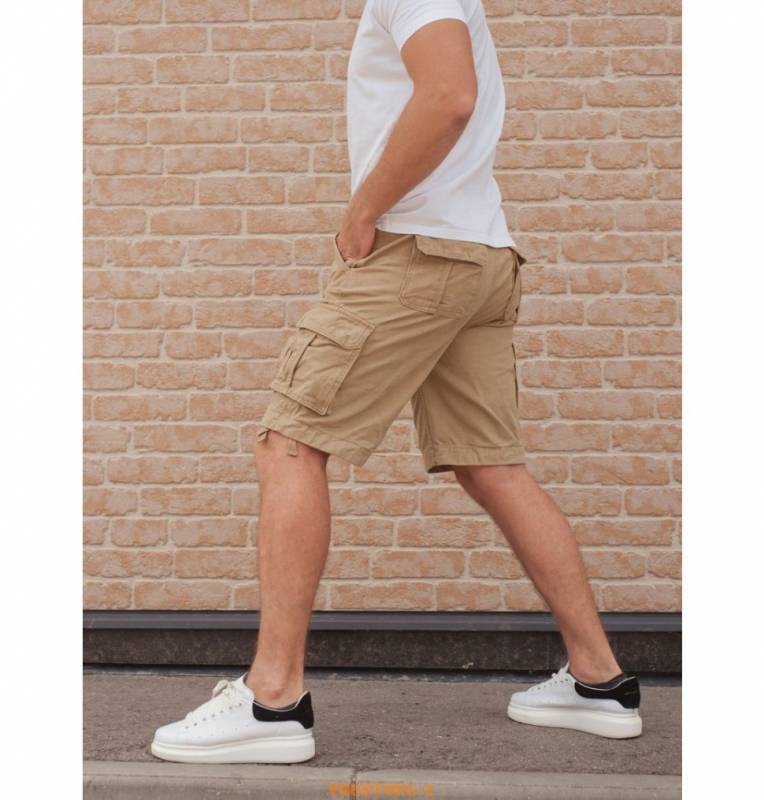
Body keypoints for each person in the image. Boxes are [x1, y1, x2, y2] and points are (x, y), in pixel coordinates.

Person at [151, 0, 642, 765]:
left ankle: (272, 698)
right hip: (482, 255)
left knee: (289, 442)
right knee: (492, 464)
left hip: (419, 253)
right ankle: (598, 681)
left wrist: (364, 209)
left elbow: (449, 95)